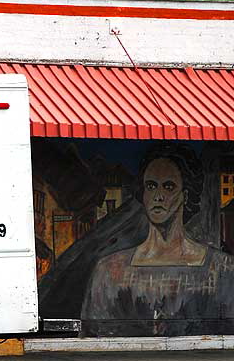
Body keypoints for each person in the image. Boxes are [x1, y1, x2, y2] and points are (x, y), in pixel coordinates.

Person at [81, 142, 234, 337]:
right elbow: (95, 339)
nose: (158, 196)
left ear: (185, 195)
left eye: (169, 186)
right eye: (151, 186)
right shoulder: (109, 270)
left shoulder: (223, 269)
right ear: (143, 193)